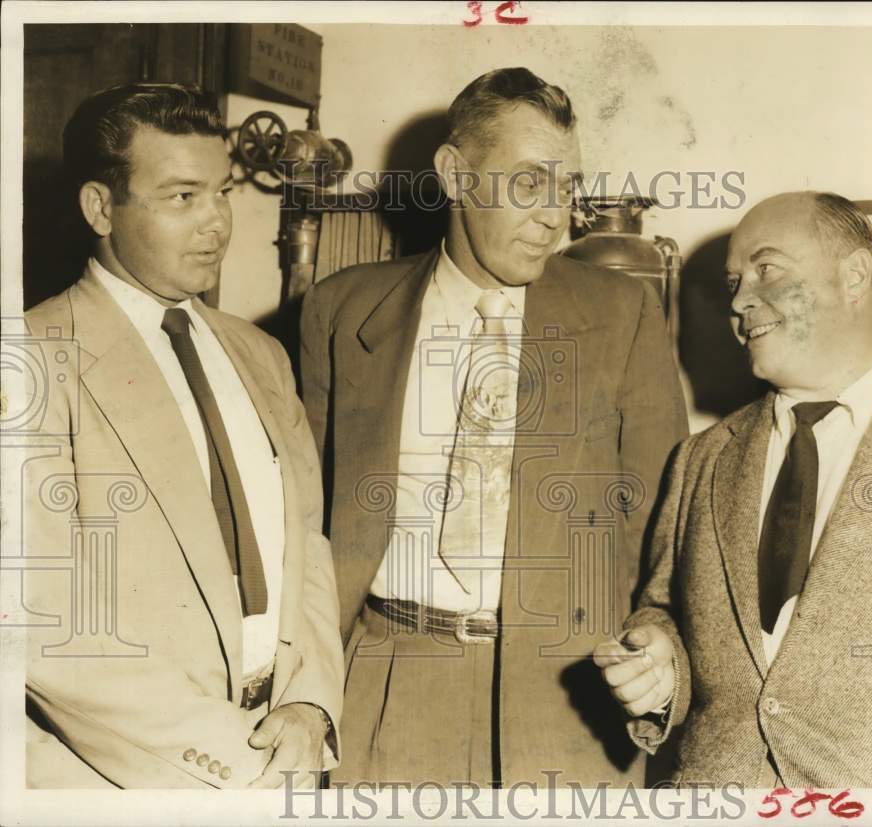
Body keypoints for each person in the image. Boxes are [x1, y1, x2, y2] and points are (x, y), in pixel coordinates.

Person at [299, 67, 688, 787]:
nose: (557, 216)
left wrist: (658, 654)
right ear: (454, 174)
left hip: (568, 699)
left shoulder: (621, 314)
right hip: (387, 685)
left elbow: (668, 526)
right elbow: (304, 524)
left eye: (566, 187)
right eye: (530, 182)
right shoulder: (340, 311)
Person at [594, 191, 872, 787]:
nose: (741, 300)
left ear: (854, 275)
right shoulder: (702, 458)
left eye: (766, 269)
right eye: (734, 282)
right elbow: (665, 609)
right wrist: (659, 664)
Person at [22, 82, 343, 789]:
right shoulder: (33, 357)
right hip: (128, 773)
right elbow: (35, 620)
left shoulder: (260, 353)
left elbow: (308, 546)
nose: (217, 224)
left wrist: (311, 702)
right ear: (101, 208)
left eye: (223, 192)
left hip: (285, 752)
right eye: (182, 197)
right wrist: (237, 755)